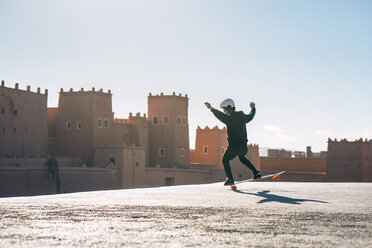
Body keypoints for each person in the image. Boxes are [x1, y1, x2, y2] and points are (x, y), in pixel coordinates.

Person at [204, 99, 261, 186]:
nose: (224, 111)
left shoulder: (228, 118)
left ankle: (230, 179)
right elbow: (250, 116)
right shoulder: (242, 116)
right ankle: (256, 173)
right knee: (242, 158)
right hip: (244, 146)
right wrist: (253, 109)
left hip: (234, 146)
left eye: (224, 109)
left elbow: (220, 115)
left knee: (225, 160)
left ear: (228, 108)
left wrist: (211, 108)